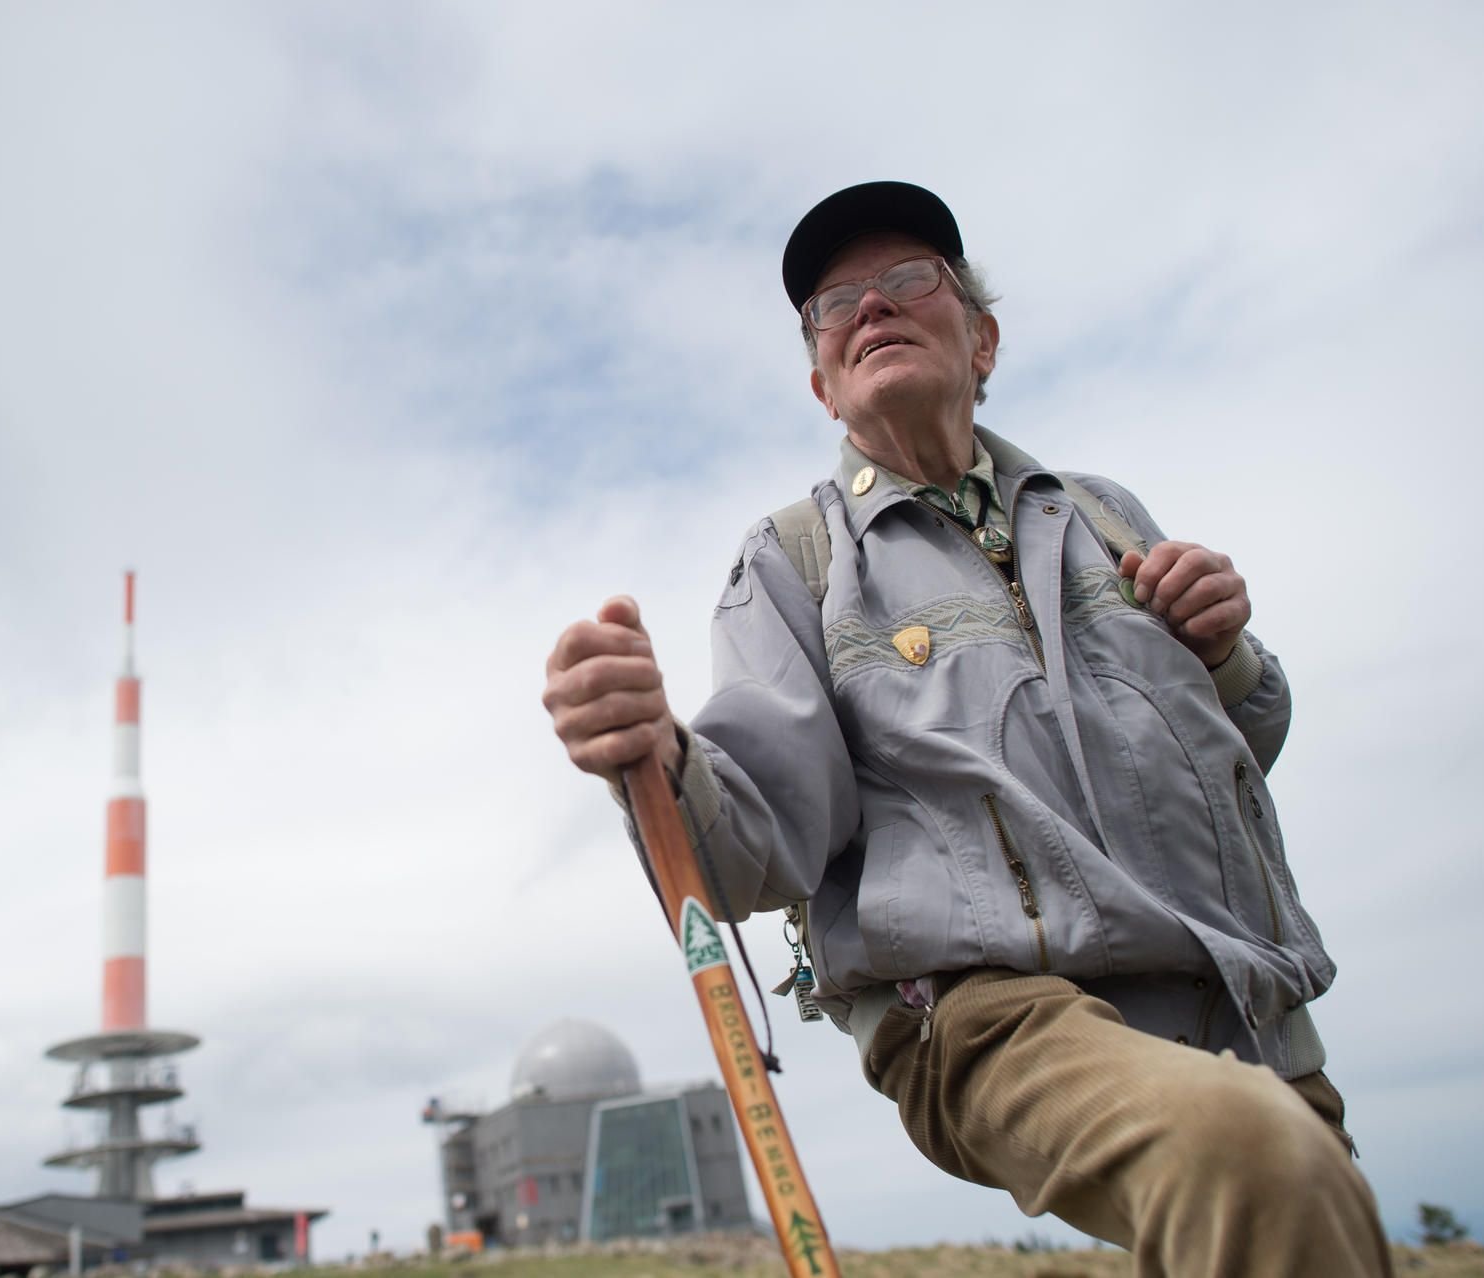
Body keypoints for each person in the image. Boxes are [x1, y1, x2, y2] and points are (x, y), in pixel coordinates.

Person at [542, 182, 1391, 1276]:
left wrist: (1225, 652)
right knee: (1252, 1159)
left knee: (1306, 1216)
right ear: (821, 385)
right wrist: (656, 754)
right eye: (836, 304)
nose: (870, 309)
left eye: (908, 281)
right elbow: (754, 848)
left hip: (1237, 1005)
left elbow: (1235, 750)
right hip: (988, 1013)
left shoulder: (1104, 514)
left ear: (983, 339)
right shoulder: (794, 561)